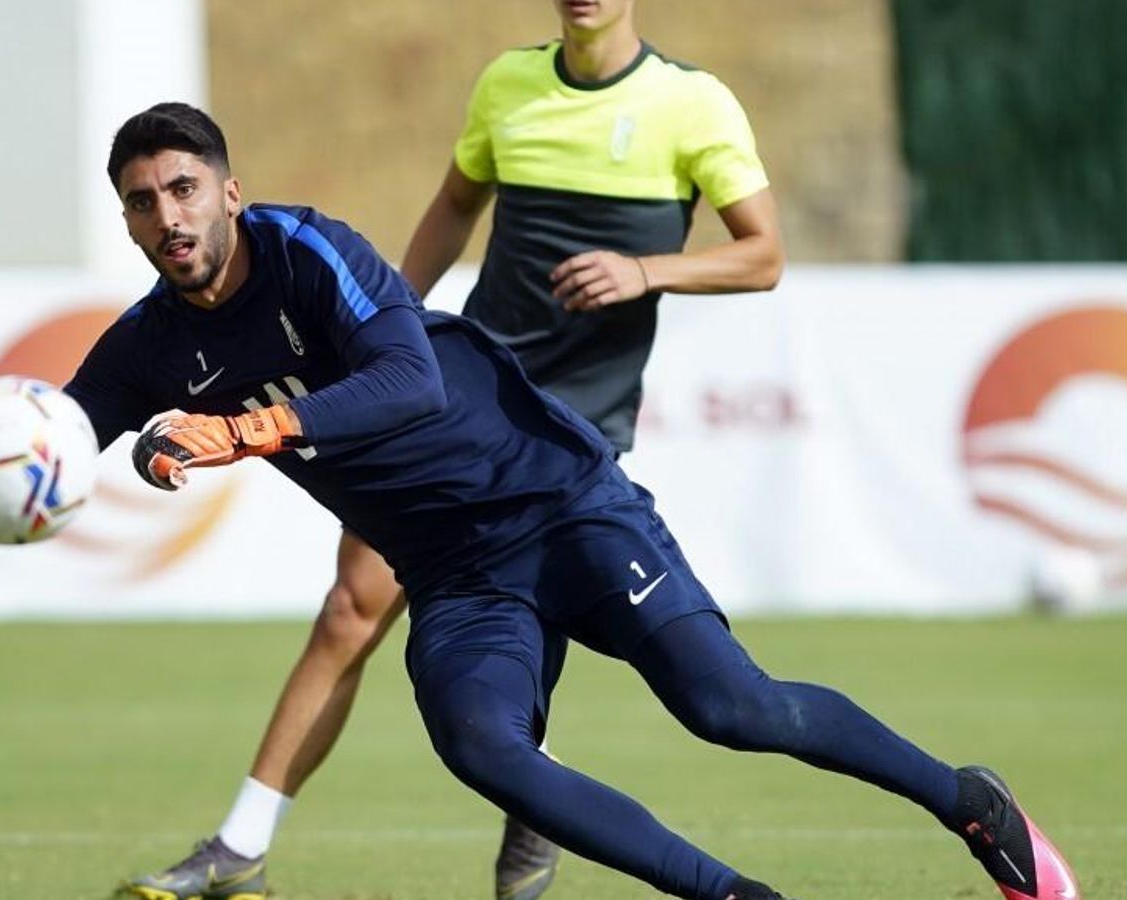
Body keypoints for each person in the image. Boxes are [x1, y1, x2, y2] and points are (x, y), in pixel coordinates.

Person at [0, 102, 1078, 900]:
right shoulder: (148, 337)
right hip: (459, 575)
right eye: (144, 204)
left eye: (186, 189)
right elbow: (46, 455)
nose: (169, 217)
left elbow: (408, 389)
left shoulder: (314, 252)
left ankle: (965, 797)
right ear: (131, 222)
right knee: (483, 745)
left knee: (732, 708)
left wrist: (251, 425)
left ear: (229, 191)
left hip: (560, 503)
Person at [140, 2, 785, 897]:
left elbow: (763, 256)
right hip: (461, 394)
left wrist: (647, 271)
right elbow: (453, 206)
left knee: (541, 622)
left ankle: (532, 805)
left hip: (574, 424)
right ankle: (243, 844)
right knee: (352, 608)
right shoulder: (508, 85)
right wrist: (375, 330)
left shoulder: (694, 104)